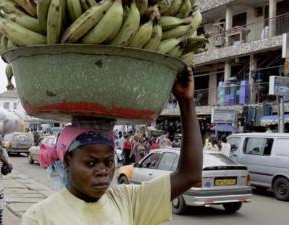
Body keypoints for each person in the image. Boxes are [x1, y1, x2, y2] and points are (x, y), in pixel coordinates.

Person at [22, 69, 203, 225]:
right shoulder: (40, 217)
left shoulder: (127, 201)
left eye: (108, 162)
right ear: (67, 161)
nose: (103, 171)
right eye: (91, 163)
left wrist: (186, 101)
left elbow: (190, 174)